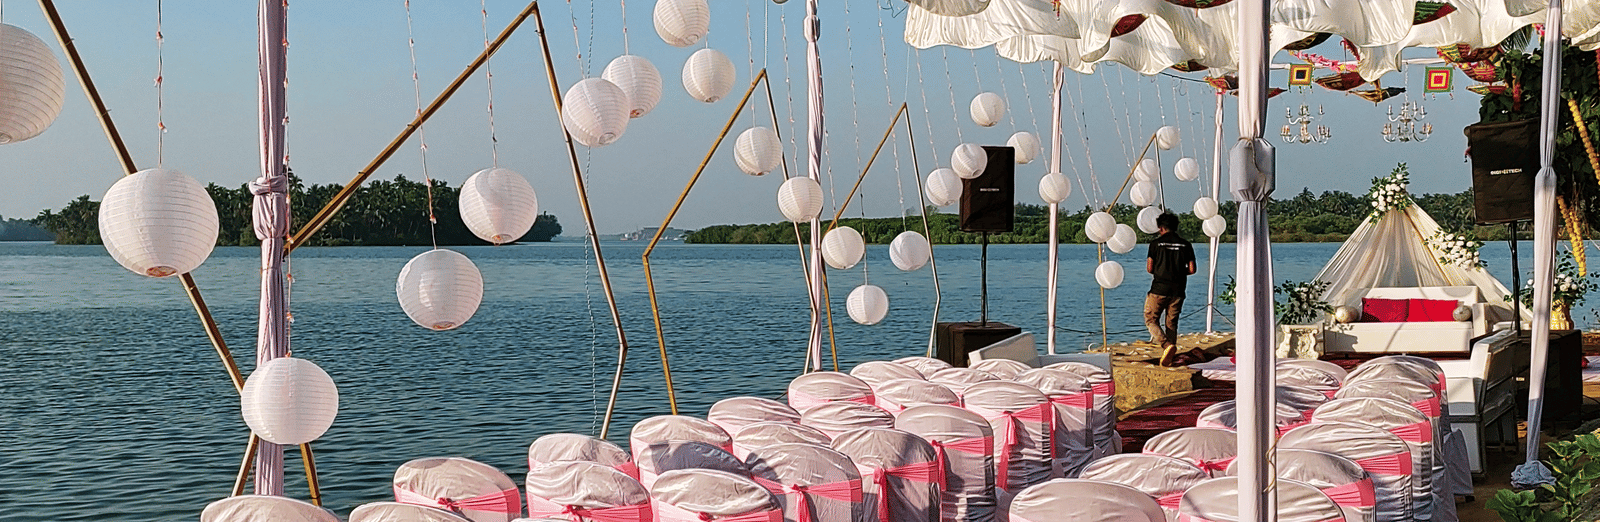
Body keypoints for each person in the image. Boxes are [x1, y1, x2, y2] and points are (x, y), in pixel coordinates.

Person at [1146, 212, 1196, 366]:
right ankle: (1170, 357)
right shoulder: (1185, 244)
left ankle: (1166, 346)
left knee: (1151, 319)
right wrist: (1180, 273)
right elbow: (1192, 269)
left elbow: (1149, 268)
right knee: (1171, 323)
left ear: (1160, 228)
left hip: (1159, 289)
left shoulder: (1155, 244)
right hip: (1178, 290)